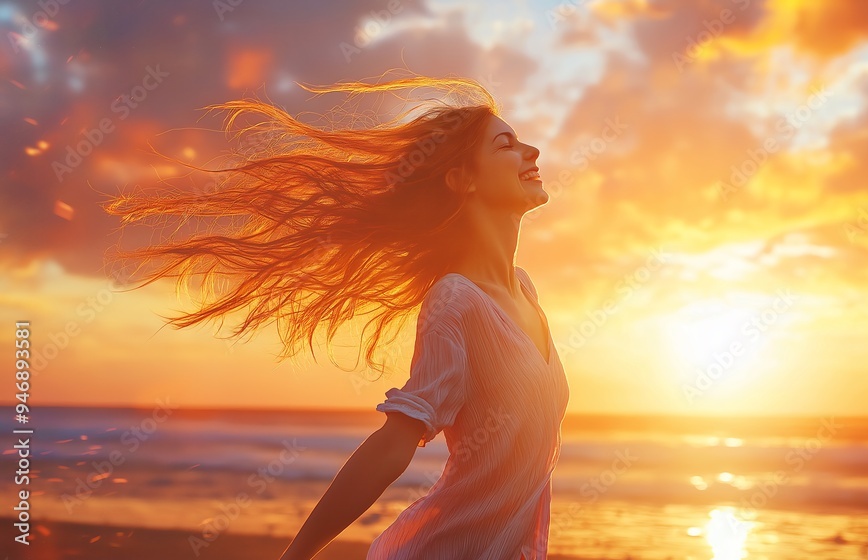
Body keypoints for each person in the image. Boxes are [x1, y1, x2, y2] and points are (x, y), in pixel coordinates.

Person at [100, 72, 569, 559]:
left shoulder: (526, 292)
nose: (531, 150)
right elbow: (394, 444)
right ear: (462, 179)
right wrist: (296, 555)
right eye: (506, 144)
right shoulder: (455, 300)